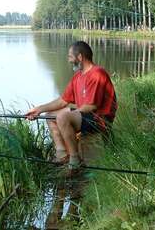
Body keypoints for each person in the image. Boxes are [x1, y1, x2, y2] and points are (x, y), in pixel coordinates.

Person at [26, 41, 117, 175]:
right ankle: (62, 154)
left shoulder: (97, 73)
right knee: (50, 115)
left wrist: (69, 115)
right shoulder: (78, 77)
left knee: (62, 116)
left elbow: (92, 106)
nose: (68, 60)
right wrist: (39, 109)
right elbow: (63, 101)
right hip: (87, 115)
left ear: (79, 57)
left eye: (70, 56)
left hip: (100, 119)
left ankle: (75, 160)